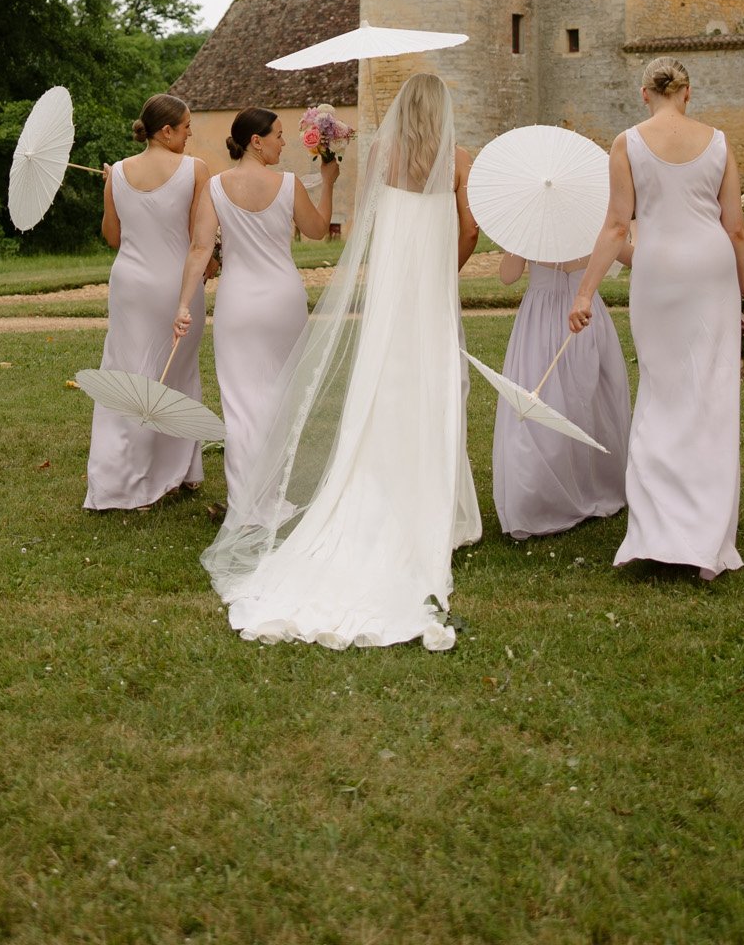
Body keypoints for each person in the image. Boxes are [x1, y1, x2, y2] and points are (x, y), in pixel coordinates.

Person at [200, 73, 482, 652]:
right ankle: (440, 512)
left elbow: (362, 226)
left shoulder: (383, 151)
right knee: (438, 386)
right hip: (430, 289)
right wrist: (443, 274)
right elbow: (470, 226)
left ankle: (378, 492)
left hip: (390, 292)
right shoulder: (458, 158)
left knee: (385, 385)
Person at [569, 57, 744, 580]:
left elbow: (614, 227)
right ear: (688, 93)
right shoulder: (719, 142)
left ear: (644, 93)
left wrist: (585, 293)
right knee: (711, 400)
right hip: (712, 272)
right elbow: (736, 228)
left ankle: (655, 535)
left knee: (660, 393)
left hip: (659, 273)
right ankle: (707, 544)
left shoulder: (627, 142)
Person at [174, 109, 338, 517]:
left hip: (239, 305)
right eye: (279, 135)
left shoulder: (214, 186)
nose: (285, 142)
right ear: (256, 141)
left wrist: (182, 304)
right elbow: (318, 230)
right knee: (278, 399)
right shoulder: (288, 184)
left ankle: (246, 503)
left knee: (241, 403)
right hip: (284, 301)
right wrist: (330, 184)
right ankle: (269, 498)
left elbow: (199, 249)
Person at [84, 94, 215, 511]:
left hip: (129, 286)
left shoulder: (118, 172)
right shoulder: (196, 170)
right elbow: (200, 238)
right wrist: (215, 263)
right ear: (166, 131)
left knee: (127, 374)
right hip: (176, 285)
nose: (191, 133)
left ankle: (121, 478)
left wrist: (113, 186)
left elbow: (113, 237)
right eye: (187, 127)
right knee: (174, 371)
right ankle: (173, 473)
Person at [491, 248, 630, 540]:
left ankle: (542, 494)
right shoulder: (593, 219)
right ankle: (594, 482)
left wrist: (515, 246)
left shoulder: (532, 228)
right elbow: (631, 256)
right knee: (587, 400)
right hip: (584, 314)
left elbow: (507, 276)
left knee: (542, 398)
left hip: (540, 318)